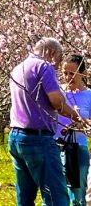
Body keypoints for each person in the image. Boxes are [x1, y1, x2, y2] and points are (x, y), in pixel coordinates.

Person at [10, 37, 86, 206]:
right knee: (56, 197)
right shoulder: (43, 66)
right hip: (38, 139)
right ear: (51, 53)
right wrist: (76, 116)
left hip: (16, 137)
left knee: (25, 197)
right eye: (58, 62)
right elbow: (56, 101)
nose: (57, 67)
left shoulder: (17, 68)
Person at [59, 54, 91, 206]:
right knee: (56, 193)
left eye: (72, 73)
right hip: (55, 147)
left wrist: (82, 123)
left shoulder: (89, 95)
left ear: (83, 73)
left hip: (78, 149)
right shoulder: (58, 93)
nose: (68, 77)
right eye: (65, 72)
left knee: (78, 195)